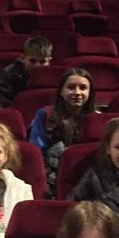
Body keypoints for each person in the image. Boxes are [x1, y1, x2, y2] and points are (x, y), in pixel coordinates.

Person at [29, 67, 96, 196]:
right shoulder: (45, 114)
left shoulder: (96, 119)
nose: (77, 92)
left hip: (87, 177)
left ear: (90, 92)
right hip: (51, 175)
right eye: (71, 87)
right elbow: (37, 152)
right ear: (61, 91)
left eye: (83, 88)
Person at [0, 36, 53, 108]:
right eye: (32, 61)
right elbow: (5, 106)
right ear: (22, 58)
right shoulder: (8, 74)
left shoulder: (54, 76)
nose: (37, 66)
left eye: (42, 62)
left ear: (49, 61)